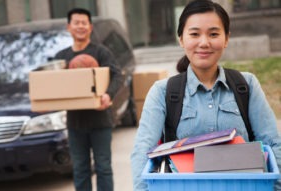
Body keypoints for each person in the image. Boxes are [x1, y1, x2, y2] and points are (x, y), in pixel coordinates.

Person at [131, 0, 281, 190]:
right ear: (181, 39)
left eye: (213, 34)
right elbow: (142, 151)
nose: (204, 42)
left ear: (226, 39)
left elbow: (273, 143)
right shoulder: (163, 91)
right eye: (194, 34)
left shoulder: (246, 85)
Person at [54, 8, 123, 191]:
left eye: (84, 23)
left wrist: (108, 94)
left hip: (100, 120)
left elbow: (117, 76)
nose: (80, 26)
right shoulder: (62, 57)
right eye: (76, 23)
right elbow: (54, 84)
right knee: (80, 169)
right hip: (75, 123)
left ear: (90, 27)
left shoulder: (101, 52)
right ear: (69, 27)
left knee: (103, 167)